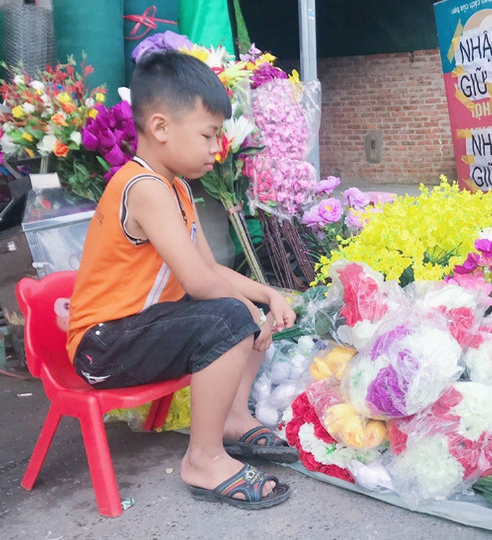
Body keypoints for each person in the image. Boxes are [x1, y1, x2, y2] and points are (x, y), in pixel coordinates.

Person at [66, 50, 297, 509]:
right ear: (161, 128)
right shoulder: (144, 186)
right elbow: (198, 282)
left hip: (139, 329)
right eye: (209, 135)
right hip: (102, 346)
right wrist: (248, 310)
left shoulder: (175, 187)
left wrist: (268, 295)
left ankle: (232, 418)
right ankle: (204, 459)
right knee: (232, 317)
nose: (218, 147)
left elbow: (209, 270)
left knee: (242, 312)